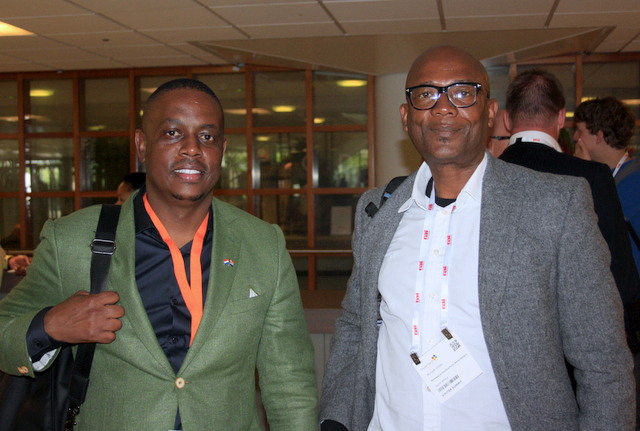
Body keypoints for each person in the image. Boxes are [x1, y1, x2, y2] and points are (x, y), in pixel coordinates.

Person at [319, 45, 634, 430]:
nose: (443, 108)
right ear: (406, 116)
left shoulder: (554, 205)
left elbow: (603, 364)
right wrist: (336, 419)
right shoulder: (377, 211)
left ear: (490, 112)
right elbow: (356, 323)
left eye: (462, 92)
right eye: (426, 94)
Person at [0, 78, 318, 430]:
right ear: (142, 144)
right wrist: (50, 326)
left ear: (222, 149)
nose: (192, 148)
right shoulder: (73, 240)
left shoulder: (263, 245)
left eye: (207, 136)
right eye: (172, 133)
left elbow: (289, 382)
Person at [499, 69, 640, 325]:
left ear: (507, 119)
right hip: (580, 330)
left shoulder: (482, 177)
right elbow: (622, 279)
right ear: (562, 117)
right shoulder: (591, 176)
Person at [573, 97, 640, 273]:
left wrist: (583, 172)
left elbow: (592, 229)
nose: (574, 137)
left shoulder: (634, 183)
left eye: (579, 131)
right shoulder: (608, 176)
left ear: (599, 136)